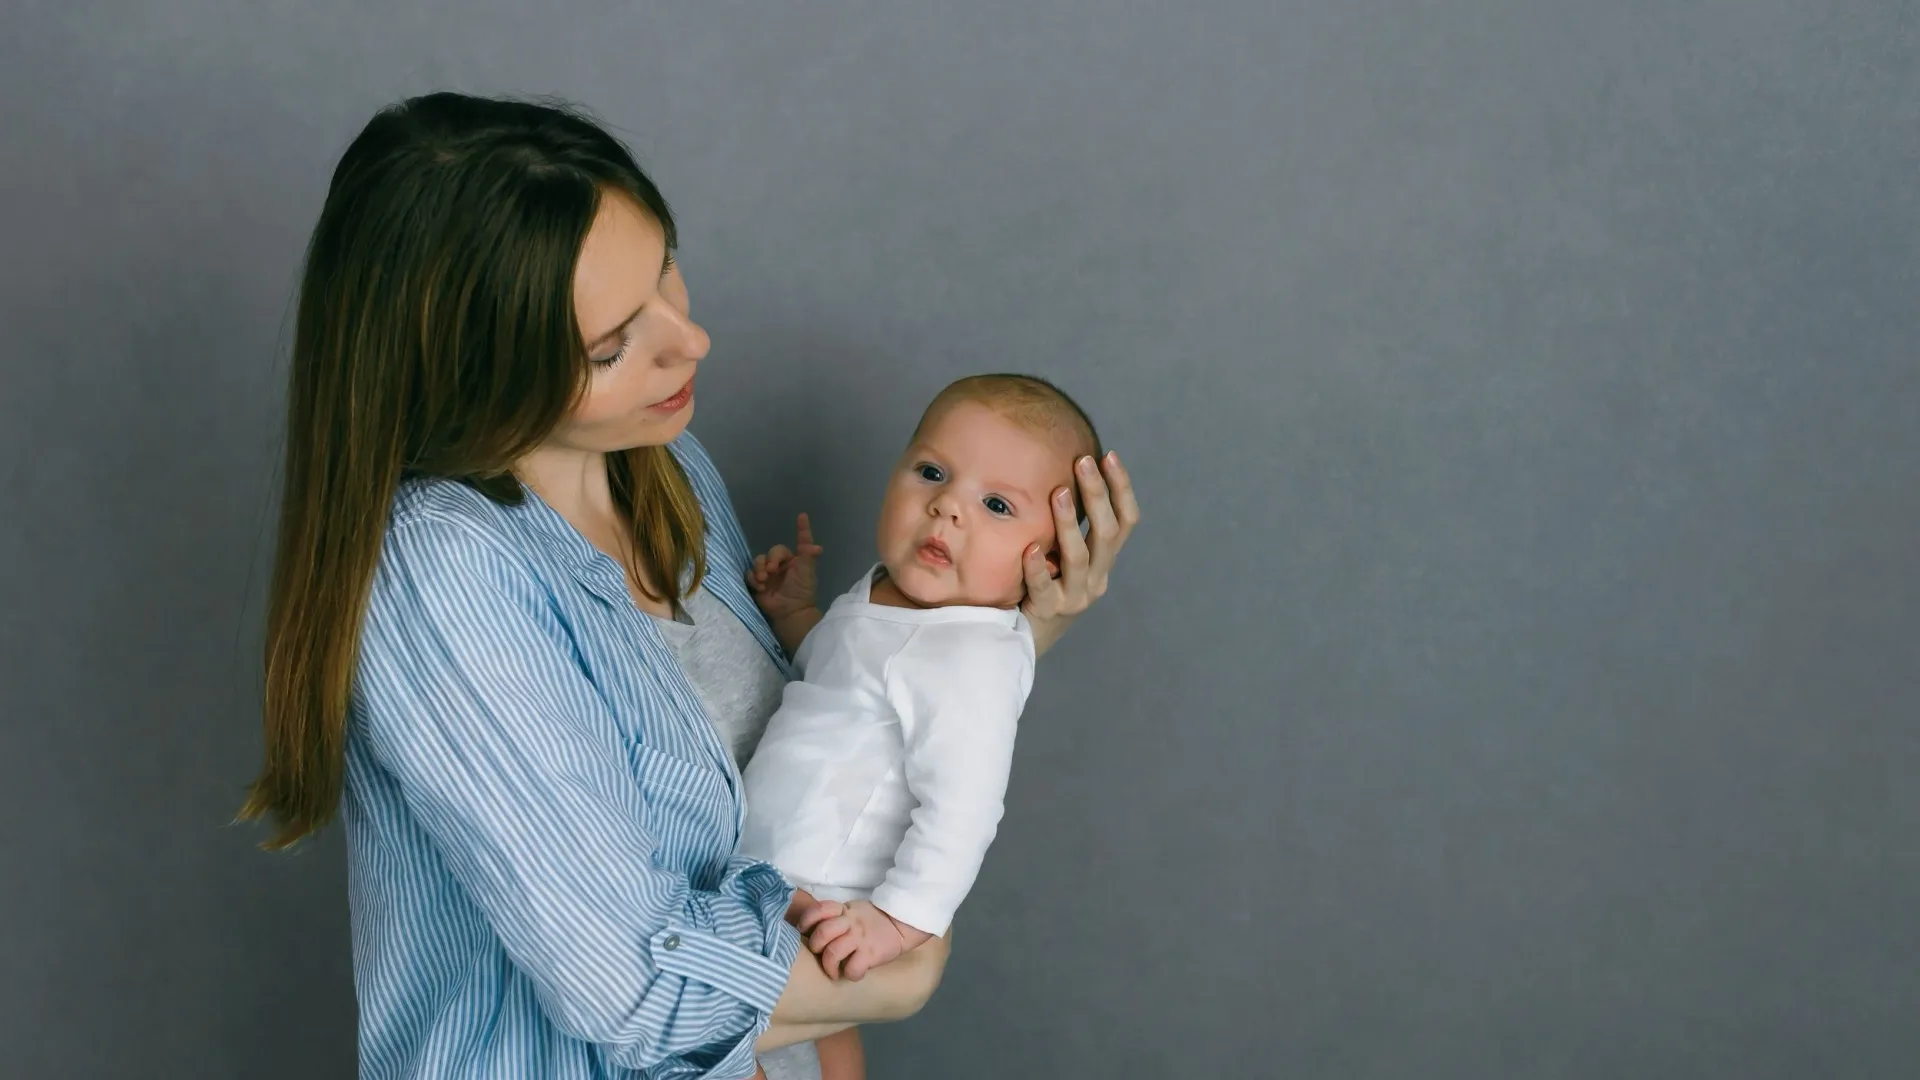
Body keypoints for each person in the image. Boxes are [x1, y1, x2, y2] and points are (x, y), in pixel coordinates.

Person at [237, 91, 1140, 1080]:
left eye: (665, 267)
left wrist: (1008, 635)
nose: (689, 342)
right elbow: (637, 989)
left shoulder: (664, 463)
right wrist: (899, 980)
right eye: (613, 344)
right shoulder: (446, 575)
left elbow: (813, 763)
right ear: (478, 370)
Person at [739, 375, 1102, 1079]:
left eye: (997, 504)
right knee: (817, 1045)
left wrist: (899, 921)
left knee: (764, 1050)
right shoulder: (885, 591)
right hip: (772, 877)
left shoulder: (972, 654)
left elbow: (963, 809)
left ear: (1048, 560)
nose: (947, 507)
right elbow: (833, 688)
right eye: (933, 472)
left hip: (833, 899)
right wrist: (792, 617)